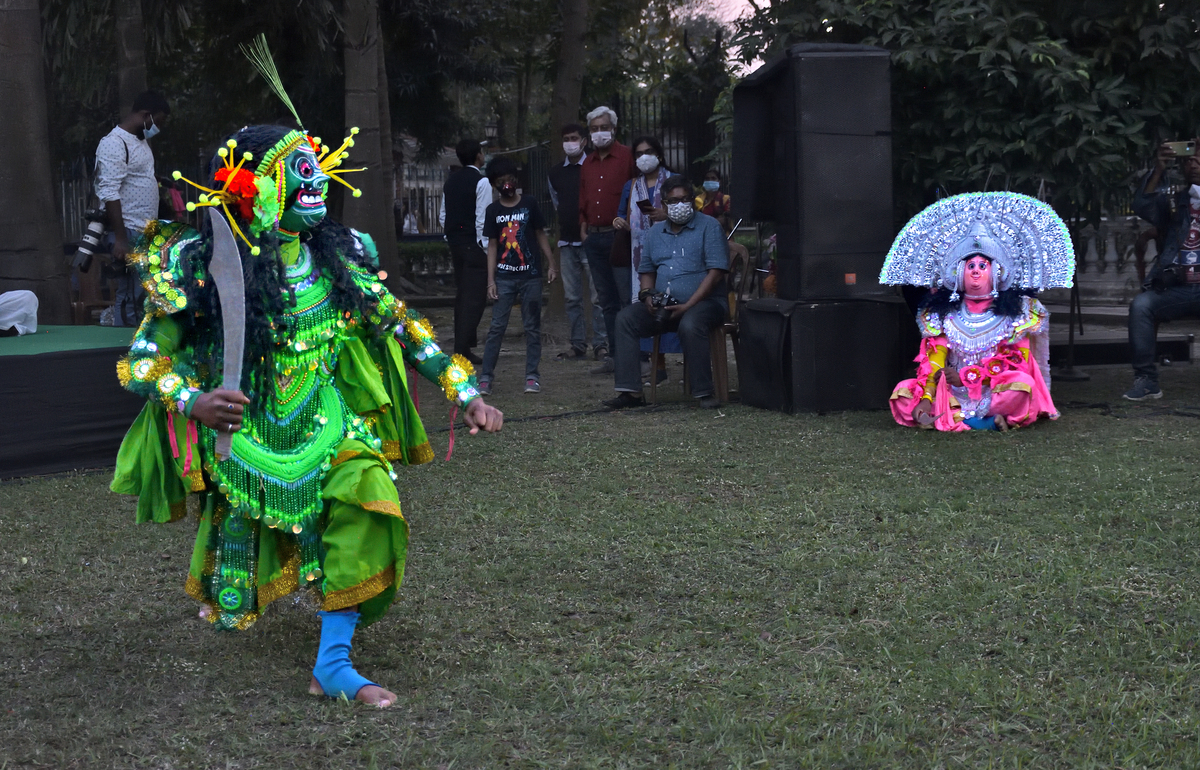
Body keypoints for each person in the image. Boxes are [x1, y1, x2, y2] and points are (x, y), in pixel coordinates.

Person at [111, 121, 503, 709]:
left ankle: (333, 665)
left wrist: (464, 392)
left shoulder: (339, 258)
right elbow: (140, 363)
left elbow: (402, 324)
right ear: (254, 188)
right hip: (247, 441)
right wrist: (196, 400)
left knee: (368, 495)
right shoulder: (202, 267)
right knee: (236, 585)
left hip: (328, 424)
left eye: (316, 166)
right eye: (298, 171)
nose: (316, 180)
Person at [881, 192, 1074, 431]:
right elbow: (934, 361)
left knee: (1022, 385)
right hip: (951, 389)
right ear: (958, 272)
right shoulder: (942, 314)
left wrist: (972, 377)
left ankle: (957, 418)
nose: (975, 271)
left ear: (997, 272)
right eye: (970, 265)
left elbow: (1018, 363)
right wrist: (929, 396)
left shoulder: (1018, 312)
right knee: (903, 394)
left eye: (983, 265)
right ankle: (981, 422)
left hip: (993, 389)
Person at [603, 175, 729, 410]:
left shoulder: (709, 226)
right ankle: (630, 392)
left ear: (693, 201)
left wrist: (689, 304)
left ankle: (704, 392)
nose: (679, 205)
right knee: (625, 319)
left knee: (690, 323)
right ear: (664, 205)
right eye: (672, 201)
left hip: (706, 303)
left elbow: (716, 274)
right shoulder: (655, 233)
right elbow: (647, 271)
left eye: (684, 199)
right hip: (665, 304)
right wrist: (648, 296)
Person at [1124, 139, 1200, 400]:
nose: (1194, 162)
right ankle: (1146, 381)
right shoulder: (1177, 200)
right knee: (1142, 306)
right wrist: (1158, 169)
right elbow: (1144, 205)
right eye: (1190, 158)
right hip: (1177, 288)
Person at [479, 157, 557, 395]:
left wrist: (551, 263)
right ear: (494, 184)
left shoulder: (530, 204)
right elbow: (492, 246)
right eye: (501, 181)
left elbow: (540, 234)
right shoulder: (493, 210)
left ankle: (532, 376)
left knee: (532, 327)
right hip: (503, 278)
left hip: (531, 276)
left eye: (510, 180)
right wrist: (491, 280)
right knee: (496, 328)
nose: (506, 185)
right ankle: (485, 378)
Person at [94, 90, 170, 326]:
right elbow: (109, 192)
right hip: (127, 231)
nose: (159, 127)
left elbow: (138, 177)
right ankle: (120, 346)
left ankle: (136, 343)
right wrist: (120, 239)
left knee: (143, 296)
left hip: (145, 231)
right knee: (129, 296)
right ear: (146, 115)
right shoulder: (114, 143)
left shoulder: (141, 141)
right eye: (158, 121)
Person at [613, 135, 676, 383]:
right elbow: (621, 215)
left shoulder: (673, 181)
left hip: (672, 252)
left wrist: (666, 214)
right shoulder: (631, 186)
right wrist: (618, 222)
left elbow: (691, 212)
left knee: (672, 303)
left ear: (659, 154)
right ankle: (656, 366)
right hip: (641, 254)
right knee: (647, 305)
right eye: (638, 153)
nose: (644, 157)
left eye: (648, 152)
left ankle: (687, 361)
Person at [578, 106, 636, 373]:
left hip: (620, 237)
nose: (598, 133)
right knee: (606, 301)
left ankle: (635, 357)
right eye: (593, 129)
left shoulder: (627, 157)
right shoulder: (587, 163)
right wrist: (583, 228)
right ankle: (614, 357)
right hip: (594, 238)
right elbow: (583, 199)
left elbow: (637, 192)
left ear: (614, 129)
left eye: (603, 127)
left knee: (627, 297)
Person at [548, 123, 606, 360]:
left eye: (574, 138)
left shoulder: (594, 166)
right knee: (572, 298)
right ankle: (578, 344)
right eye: (566, 138)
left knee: (597, 296)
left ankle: (601, 344)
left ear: (584, 141)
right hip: (567, 242)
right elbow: (556, 202)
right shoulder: (555, 173)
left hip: (591, 239)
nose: (570, 142)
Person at [439, 138, 493, 364]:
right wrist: (486, 247)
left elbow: (443, 215)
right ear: (478, 156)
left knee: (463, 295)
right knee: (475, 298)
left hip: (455, 243)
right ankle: (462, 350)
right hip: (474, 245)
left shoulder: (450, 182)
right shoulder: (482, 183)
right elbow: (483, 218)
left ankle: (465, 347)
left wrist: (449, 235)